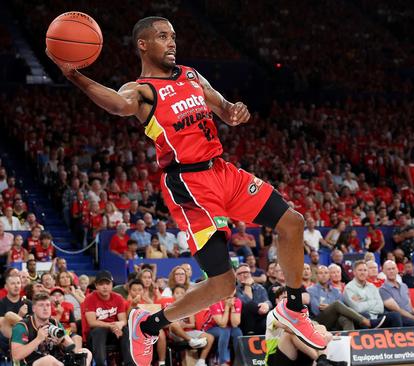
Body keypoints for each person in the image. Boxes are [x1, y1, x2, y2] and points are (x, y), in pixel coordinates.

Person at [47, 16, 326, 364]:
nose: (172, 42)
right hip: (189, 185)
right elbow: (118, 105)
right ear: (143, 45)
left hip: (223, 171)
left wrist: (234, 111)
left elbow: (224, 109)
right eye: (163, 36)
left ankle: (294, 309)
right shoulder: (143, 91)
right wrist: (74, 75)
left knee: (292, 222)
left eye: (173, 36)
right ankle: (148, 326)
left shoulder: (192, 76)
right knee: (224, 285)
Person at [11, 292, 92, 366]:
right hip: (32, 362)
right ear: (33, 309)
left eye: (48, 305)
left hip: (57, 360)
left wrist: (61, 341)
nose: (45, 308)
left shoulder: (55, 323)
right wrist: (38, 339)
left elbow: (72, 347)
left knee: (85, 352)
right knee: (49, 360)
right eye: (41, 305)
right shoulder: (22, 326)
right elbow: (16, 356)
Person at [82, 270, 129, 366]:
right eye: (101, 284)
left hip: (114, 332)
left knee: (126, 330)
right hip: (95, 335)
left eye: (107, 283)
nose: (105, 287)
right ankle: (101, 364)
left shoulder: (118, 298)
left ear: (112, 284)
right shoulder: (90, 298)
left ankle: (129, 363)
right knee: (99, 330)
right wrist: (111, 325)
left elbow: (123, 320)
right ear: (96, 286)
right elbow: (92, 322)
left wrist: (119, 324)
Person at [306, 266, 372, 330]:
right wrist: (332, 307)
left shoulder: (336, 291)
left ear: (329, 275)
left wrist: (330, 307)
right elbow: (316, 311)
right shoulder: (311, 290)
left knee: (345, 318)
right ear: (317, 275)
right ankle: (365, 321)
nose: (323, 275)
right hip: (320, 320)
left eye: (326, 273)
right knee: (336, 304)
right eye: (320, 273)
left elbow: (342, 308)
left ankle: (350, 339)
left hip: (335, 319)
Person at [343, 261, 401, 328]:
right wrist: (373, 302)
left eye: (365, 270)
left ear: (367, 272)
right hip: (361, 319)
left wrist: (363, 302)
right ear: (354, 272)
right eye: (360, 270)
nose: (362, 272)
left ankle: (397, 337)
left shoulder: (372, 286)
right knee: (363, 315)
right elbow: (358, 308)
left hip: (377, 318)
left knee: (395, 315)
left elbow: (380, 308)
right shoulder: (349, 288)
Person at [167, 286, 213, 365]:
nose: (179, 295)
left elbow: (192, 324)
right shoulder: (168, 308)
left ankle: (201, 361)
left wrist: (184, 326)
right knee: (174, 324)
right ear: (173, 295)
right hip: (175, 334)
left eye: (182, 293)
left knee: (210, 338)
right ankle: (191, 341)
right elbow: (166, 325)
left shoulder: (188, 307)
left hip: (187, 332)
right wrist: (178, 325)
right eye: (177, 293)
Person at [379, 261, 414, 326]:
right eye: (388, 269)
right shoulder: (383, 289)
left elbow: (409, 306)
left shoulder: (404, 286)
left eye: (393, 268)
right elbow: (398, 310)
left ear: (397, 270)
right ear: (384, 271)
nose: (391, 271)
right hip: (400, 319)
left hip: (411, 316)